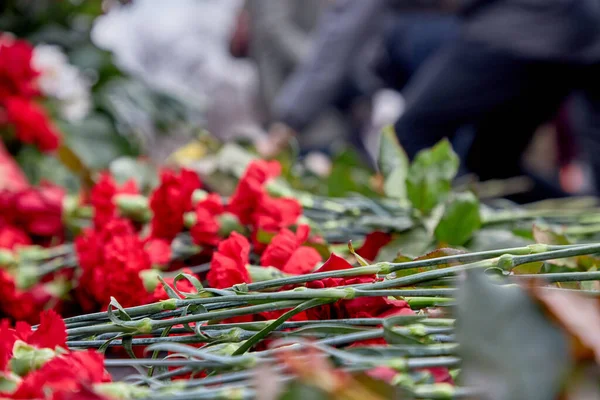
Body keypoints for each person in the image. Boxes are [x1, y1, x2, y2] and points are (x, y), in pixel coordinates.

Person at [393, 0, 600, 192]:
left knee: (410, 133)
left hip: (521, 26)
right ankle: (580, 222)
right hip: (581, 30)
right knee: (491, 164)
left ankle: (462, 220)